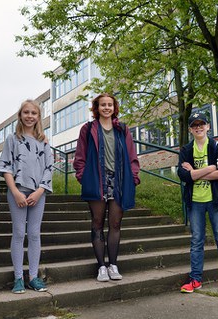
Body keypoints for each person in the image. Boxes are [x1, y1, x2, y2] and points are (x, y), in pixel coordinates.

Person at [73, 93, 140, 282]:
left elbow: (132, 156)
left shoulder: (122, 129)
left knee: (115, 224)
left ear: (114, 107)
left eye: (110, 104)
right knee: (97, 223)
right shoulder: (88, 129)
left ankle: (113, 265)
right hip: (96, 180)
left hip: (118, 181)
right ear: (97, 108)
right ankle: (101, 266)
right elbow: (80, 158)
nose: (107, 108)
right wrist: (84, 178)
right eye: (103, 105)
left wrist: (133, 178)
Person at [177, 112, 218, 296]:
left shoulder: (217, 146)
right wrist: (210, 168)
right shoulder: (186, 150)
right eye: (194, 125)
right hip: (195, 202)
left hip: (215, 201)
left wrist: (195, 172)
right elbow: (183, 176)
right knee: (196, 241)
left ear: (208, 126)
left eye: (201, 124)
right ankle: (195, 279)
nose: (198, 127)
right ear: (190, 129)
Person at [0, 99, 53, 294]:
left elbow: (49, 168)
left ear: (39, 116)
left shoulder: (44, 141)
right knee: (19, 233)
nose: (30, 116)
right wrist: (15, 192)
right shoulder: (13, 139)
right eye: (26, 112)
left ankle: (34, 277)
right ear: (20, 115)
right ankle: (19, 277)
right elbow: (5, 167)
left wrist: (40, 191)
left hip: (38, 193)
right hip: (17, 191)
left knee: (35, 233)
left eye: (33, 113)